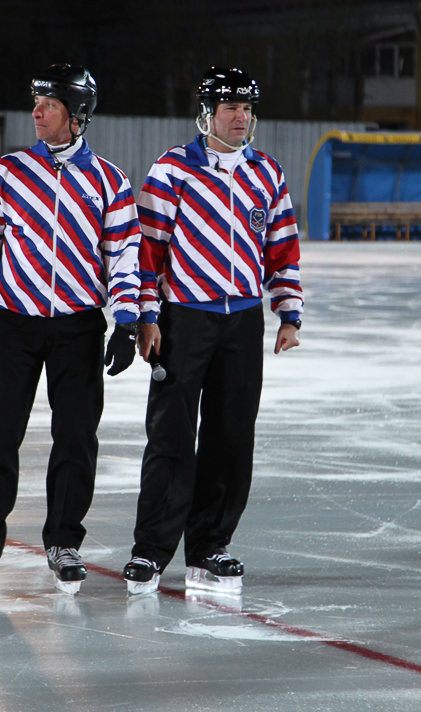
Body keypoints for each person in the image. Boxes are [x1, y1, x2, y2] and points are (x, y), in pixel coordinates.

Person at [0, 64, 141, 596]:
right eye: (35, 102)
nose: (37, 112)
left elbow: (124, 257)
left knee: (77, 440)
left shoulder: (109, 180)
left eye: (50, 103)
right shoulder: (6, 174)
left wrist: (125, 322)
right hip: (15, 325)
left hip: (79, 328)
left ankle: (64, 541)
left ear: (77, 114)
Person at [122, 68, 303, 596]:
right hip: (184, 318)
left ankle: (208, 548)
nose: (241, 116)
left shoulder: (266, 173)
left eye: (247, 107)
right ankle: (151, 553)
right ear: (207, 114)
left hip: (243, 321)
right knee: (172, 437)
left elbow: (282, 247)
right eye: (230, 107)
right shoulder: (172, 170)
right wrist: (147, 315)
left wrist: (288, 312)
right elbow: (148, 251)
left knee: (231, 436)